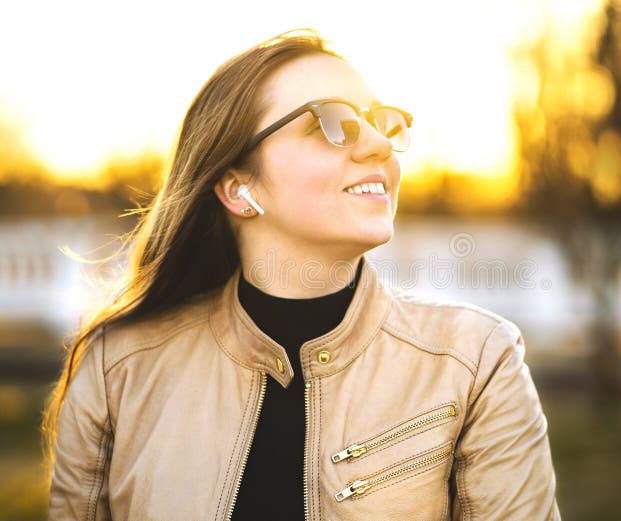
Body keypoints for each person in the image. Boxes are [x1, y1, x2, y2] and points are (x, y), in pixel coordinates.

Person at [43, 29, 561, 520]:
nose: (378, 144)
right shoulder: (118, 368)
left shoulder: (475, 361)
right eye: (332, 124)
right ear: (239, 189)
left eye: (381, 122)